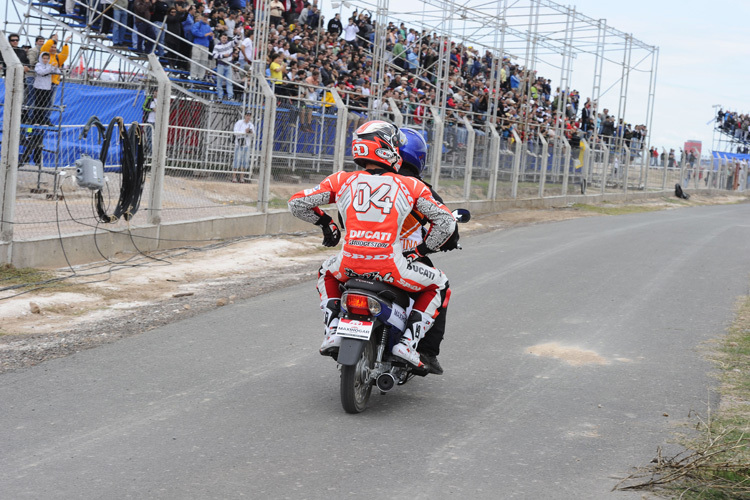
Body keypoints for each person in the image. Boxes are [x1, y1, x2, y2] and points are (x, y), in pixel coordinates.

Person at [288, 120, 456, 368]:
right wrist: (420, 250)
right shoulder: (411, 185)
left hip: (348, 265)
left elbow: (297, 203)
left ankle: (333, 329)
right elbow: (446, 222)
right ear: (386, 147)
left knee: (326, 271)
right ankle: (407, 344)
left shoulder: (341, 180)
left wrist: (326, 223)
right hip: (391, 267)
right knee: (439, 283)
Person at [395, 127, 460, 374]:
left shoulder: (367, 183)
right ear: (419, 157)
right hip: (406, 261)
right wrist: (426, 246)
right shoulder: (421, 190)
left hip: (361, 255)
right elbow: (449, 228)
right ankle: (426, 351)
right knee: (441, 289)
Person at [33, 51, 61, 125]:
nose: (45, 60)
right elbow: (41, 72)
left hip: (47, 87)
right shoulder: (38, 65)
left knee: (45, 104)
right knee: (38, 103)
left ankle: (42, 120)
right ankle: (36, 120)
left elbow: (58, 72)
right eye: (44, 58)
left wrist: (55, 67)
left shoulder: (49, 65)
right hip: (39, 87)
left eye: (47, 58)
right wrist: (50, 69)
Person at [232, 111, 255, 182]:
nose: (248, 117)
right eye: (247, 115)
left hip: (246, 145)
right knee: (237, 160)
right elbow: (235, 132)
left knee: (245, 161)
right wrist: (244, 131)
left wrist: (250, 132)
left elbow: (253, 133)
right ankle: (234, 177)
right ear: (244, 116)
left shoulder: (251, 125)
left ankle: (242, 177)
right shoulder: (239, 123)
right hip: (239, 144)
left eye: (249, 116)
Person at [212, 33, 234, 101]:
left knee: (229, 81)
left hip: (228, 65)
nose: (224, 39)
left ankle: (230, 96)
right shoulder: (217, 46)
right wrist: (223, 56)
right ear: (220, 38)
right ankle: (220, 96)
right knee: (219, 82)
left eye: (225, 38)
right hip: (221, 65)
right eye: (223, 38)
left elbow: (236, 41)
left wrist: (239, 35)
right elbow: (214, 55)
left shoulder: (230, 44)